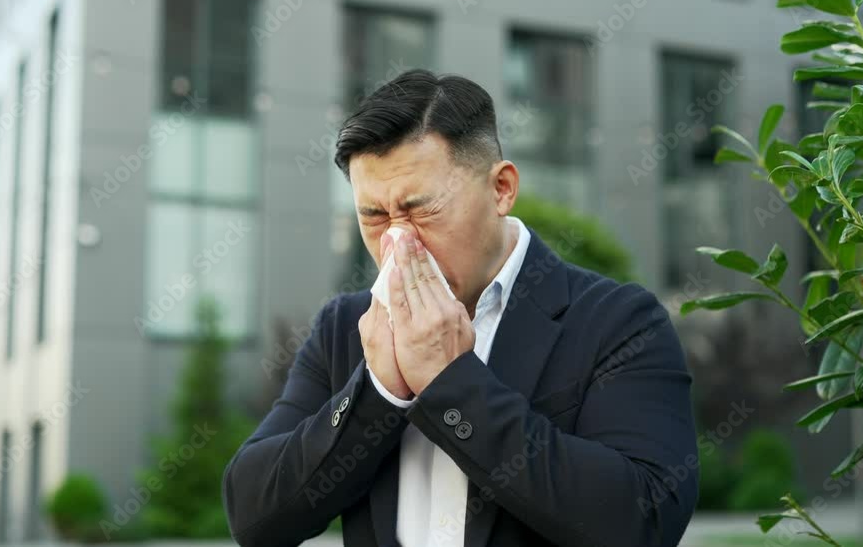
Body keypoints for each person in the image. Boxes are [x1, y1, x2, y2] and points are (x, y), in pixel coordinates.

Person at [222, 69, 698, 547]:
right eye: (375, 217)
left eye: (422, 210)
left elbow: (646, 520)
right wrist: (379, 393)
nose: (399, 240)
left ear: (501, 189)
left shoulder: (619, 322)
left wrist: (452, 383)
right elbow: (255, 519)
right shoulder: (346, 326)